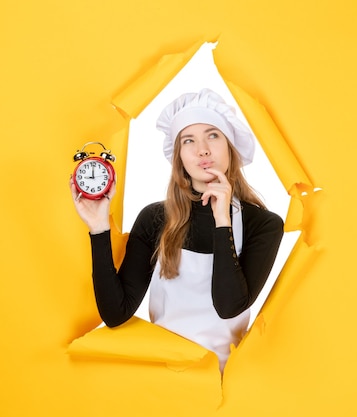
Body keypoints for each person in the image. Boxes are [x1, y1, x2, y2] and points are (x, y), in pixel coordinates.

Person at [70, 88, 284, 371]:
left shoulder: (264, 225)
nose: (202, 149)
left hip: (224, 382)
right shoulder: (154, 218)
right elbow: (115, 314)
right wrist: (98, 229)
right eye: (188, 140)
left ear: (230, 146)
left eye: (212, 135)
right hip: (163, 375)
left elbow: (229, 306)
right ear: (179, 156)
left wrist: (222, 220)